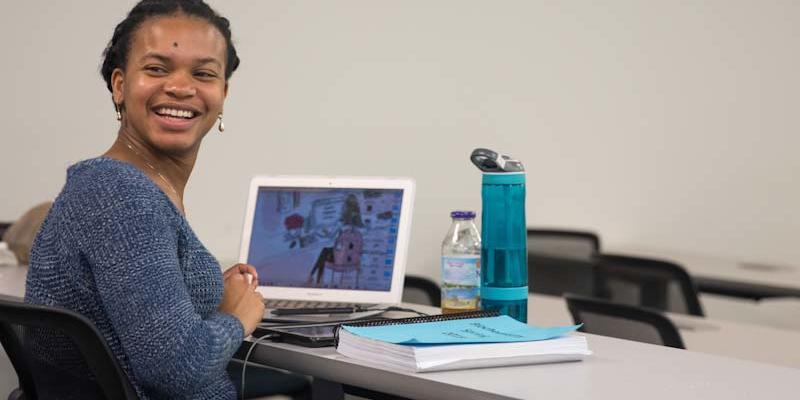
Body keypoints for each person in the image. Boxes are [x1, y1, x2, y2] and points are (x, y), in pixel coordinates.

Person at [24, 1, 306, 399]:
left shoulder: (132, 185)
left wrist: (199, 291)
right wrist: (237, 317)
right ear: (120, 85)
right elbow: (176, 366)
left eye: (204, 73)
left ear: (223, 93)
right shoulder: (120, 193)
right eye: (156, 68)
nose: (180, 86)